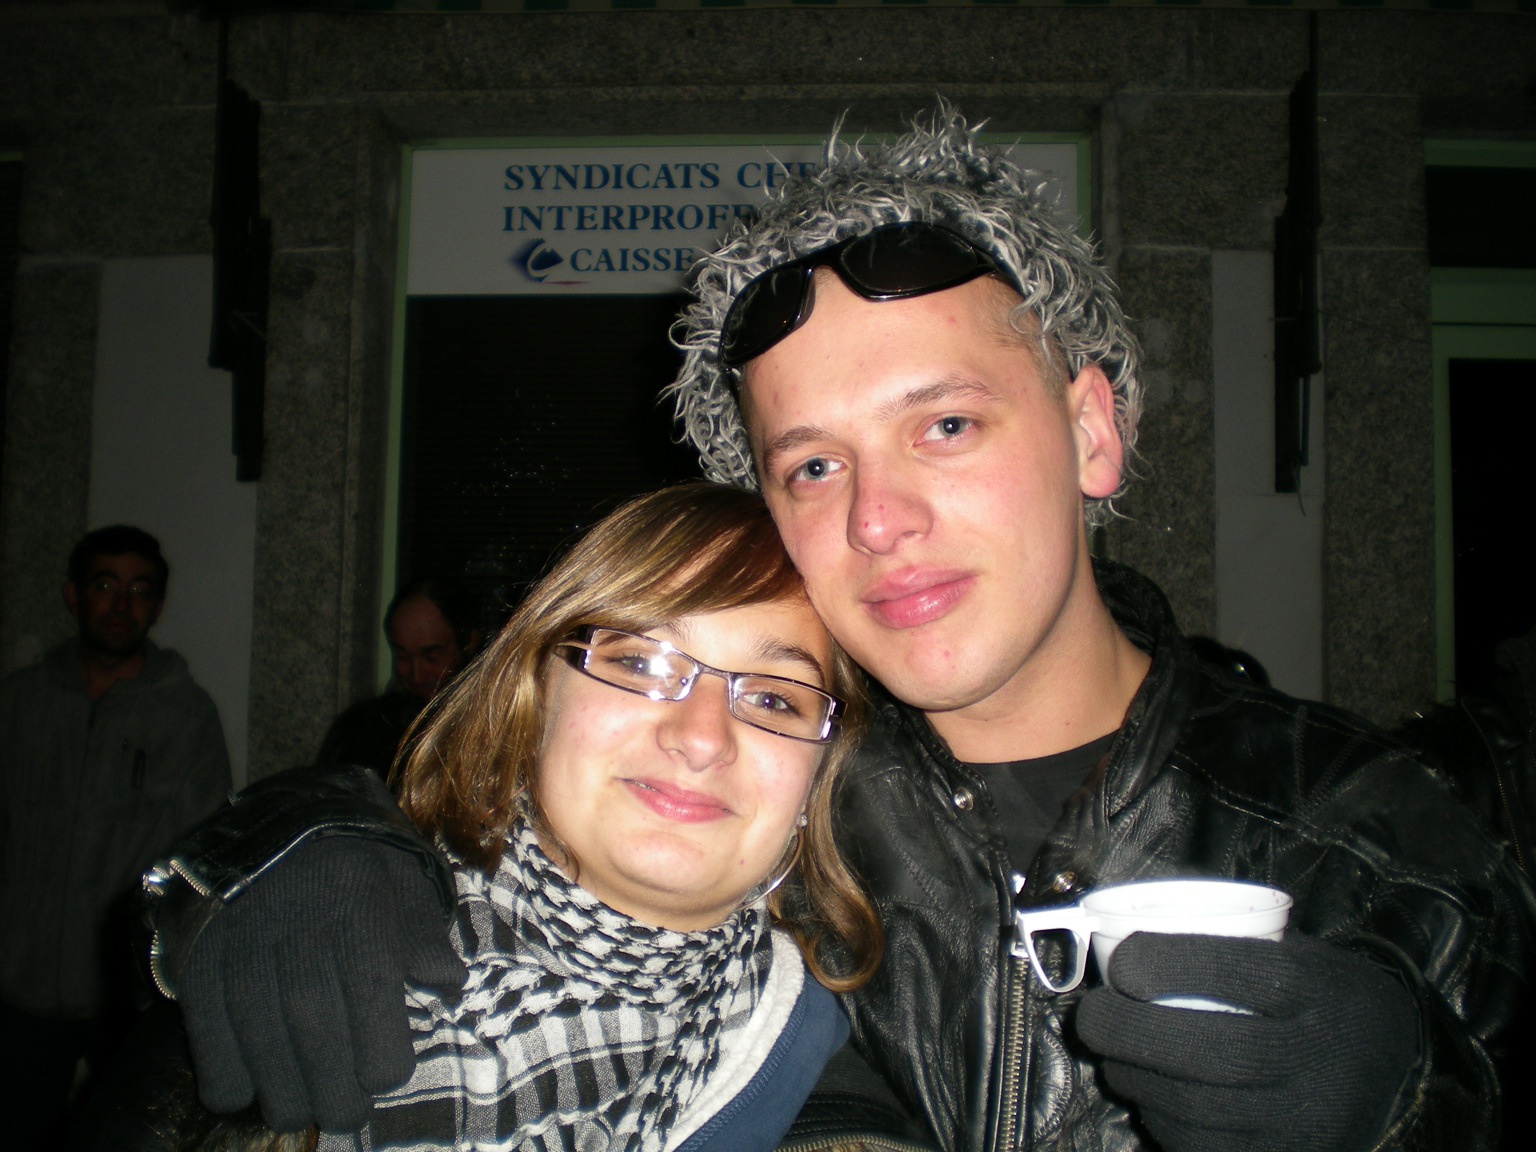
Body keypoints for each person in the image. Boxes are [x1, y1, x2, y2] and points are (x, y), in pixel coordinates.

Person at [148, 107, 1528, 1151]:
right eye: (813, 464)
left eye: (945, 425)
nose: (878, 518)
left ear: (1093, 432)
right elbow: (511, 825)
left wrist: (1415, 1108)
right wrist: (306, 844)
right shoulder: (775, 799)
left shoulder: (1381, 833)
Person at [144, 484, 880, 1151]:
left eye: (776, 699)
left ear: (818, 778)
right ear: (534, 695)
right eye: (640, 663)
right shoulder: (306, 961)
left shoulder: (842, 1079)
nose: (701, 737)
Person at [0, 524, 231, 1149]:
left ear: (157, 605)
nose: (121, 604)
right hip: (18, 989)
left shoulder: (186, 716)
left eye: (139, 590)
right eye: (105, 586)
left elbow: (203, 861)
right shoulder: (18, 704)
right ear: (73, 595)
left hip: (127, 1000)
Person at [316, 579, 482, 778]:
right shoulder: (362, 730)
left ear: (468, 645)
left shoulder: (485, 725)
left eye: (432, 658)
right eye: (403, 657)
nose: (416, 675)